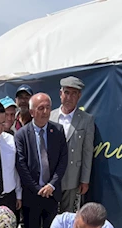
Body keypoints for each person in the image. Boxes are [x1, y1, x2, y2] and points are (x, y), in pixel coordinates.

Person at [15, 92, 68, 228]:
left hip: (52, 194)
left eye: (47, 107)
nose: (45, 111)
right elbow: (21, 165)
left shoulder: (57, 130)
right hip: (32, 195)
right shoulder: (22, 135)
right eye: (40, 108)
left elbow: (63, 160)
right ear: (31, 112)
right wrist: (37, 189)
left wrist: (52, 185)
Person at [50, 76, 95, 213]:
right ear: (60, 94)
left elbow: (87, 151)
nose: (69, 97)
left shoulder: (86, 120)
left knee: (68, 216)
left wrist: (84, 180)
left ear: (79, 96)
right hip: (50, 178)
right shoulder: (50, 117)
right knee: (49, 215)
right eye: (67, 93)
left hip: (72, 177)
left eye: (74, 93)